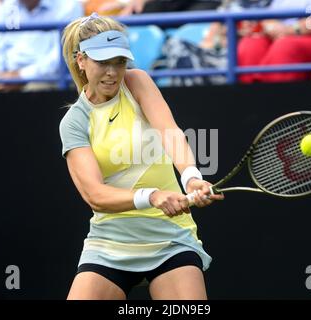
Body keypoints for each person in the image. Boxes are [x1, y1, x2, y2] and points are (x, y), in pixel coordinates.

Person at [59, 13, 224, 300]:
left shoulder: (137, 82)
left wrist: (192, 177)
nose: (113, 72)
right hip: (109, 244)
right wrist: (152, 196)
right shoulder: (74, 122)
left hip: (169, 238)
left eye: (119, 62)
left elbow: (169, 131)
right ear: (81, 61)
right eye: (103, 62)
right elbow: (95, 195)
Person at [0, 0, 83, 93]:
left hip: (46, 80)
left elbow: (63, 55)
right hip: (8, 76)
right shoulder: (8, 6)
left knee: (35, 90)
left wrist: (22, 76)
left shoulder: (69, 5)